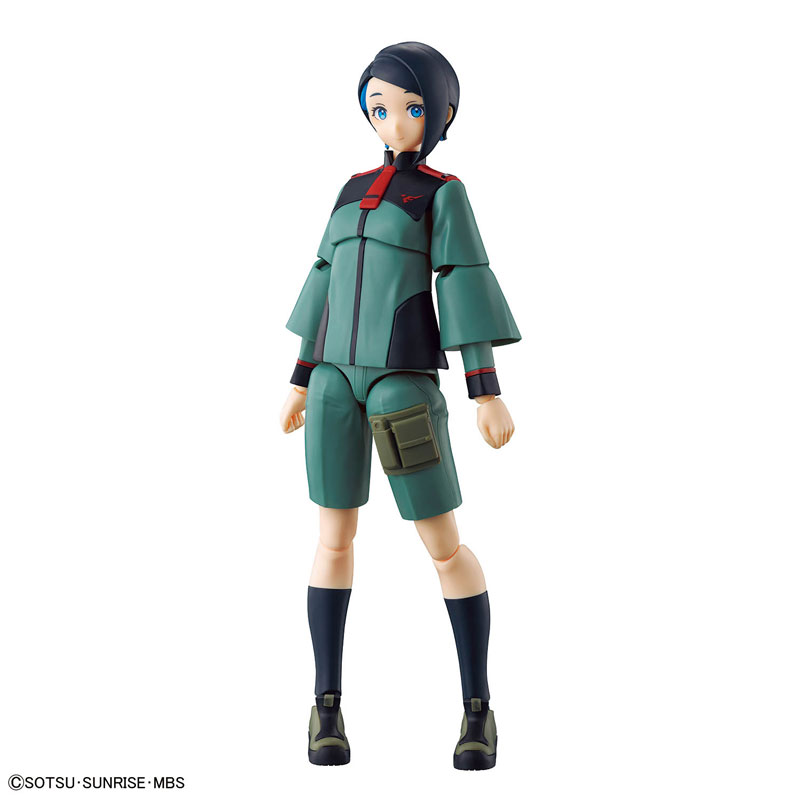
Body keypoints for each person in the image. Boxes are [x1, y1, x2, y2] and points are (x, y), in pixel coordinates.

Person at [279, 41, 521, 770]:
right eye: (379, 106)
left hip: (401, 385)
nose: (393, 120)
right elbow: (323, 279)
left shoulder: (442, 193)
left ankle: (477, 708)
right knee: (332, 540)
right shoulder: (350, 189)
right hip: (332, 384)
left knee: (442, 545)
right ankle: (325, 704)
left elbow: (463, 280)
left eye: (411, 107)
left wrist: (485, 390)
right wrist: (299, 378)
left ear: (439, 114)